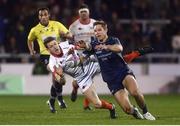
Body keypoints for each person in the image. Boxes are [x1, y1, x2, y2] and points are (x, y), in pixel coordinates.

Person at [69, 4, 154, 111]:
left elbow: (116, 47)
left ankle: (136, 53)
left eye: (85, 11)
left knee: (114, 59)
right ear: (79, 13)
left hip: (101, 57)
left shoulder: (97, 26)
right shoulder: (73, 26)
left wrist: (105, 46)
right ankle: (77, 91)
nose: (84, 14)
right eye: (81, 12)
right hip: (88, 56)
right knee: (79, 80)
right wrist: (75, 51)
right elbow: (75, 42)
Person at [77, 20, 156, 120]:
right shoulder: (93, 44)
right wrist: (77, 52)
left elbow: (119, 48)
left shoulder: (113, 40)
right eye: (95, 31)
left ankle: (145, 112)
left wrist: (107, 47)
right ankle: (134, 111)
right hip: (111, 79)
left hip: (123, 72)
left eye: (99, 30)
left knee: (134, 92)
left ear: (106, 30)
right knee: (127, 109)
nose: (97, 32)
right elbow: (82, 57)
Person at [44, 36, 117, 119]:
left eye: (55, 44)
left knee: (109, 60)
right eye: (51, 46)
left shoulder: (66, 44)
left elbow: (82, 47)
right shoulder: (53, 63)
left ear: (57, 43)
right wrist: (61, 77)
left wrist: (84, 46)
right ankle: (111, 107)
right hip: (81, 78)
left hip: (89, 64)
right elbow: (62, 82)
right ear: (47, 50)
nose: (54, 47)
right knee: (97, 104)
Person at [27, 7, 72, 113]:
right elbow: (29, 40)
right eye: (41, 15)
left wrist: (65, 35)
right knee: (56, 74)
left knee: (58, 78)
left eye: (45, 14)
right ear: (39, 17)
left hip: (58, 55)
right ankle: (55, 101)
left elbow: (69, 34)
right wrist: (31, 50)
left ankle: (57, 99)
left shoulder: (56, 24)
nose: (43, 17)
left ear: (49, 15)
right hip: (46, 56)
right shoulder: (35, 30)